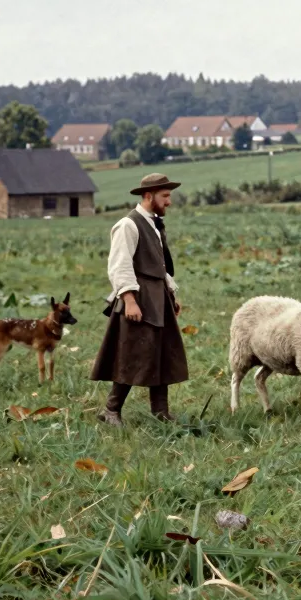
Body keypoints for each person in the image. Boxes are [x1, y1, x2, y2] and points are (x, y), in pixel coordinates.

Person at [91, 172, 189, 425]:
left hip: (158, 298)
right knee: (133, 353)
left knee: (161, 353)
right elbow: (119, 265)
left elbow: (158, 265)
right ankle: (111, 410)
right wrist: (130, 300)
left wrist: (171, 294)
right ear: (148, 196)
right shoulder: (129, 224)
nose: (169, 201)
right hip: (139, 299)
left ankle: (161, 412)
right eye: (165, 196)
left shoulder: (154, 223)